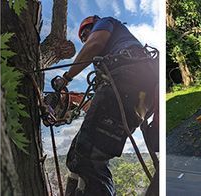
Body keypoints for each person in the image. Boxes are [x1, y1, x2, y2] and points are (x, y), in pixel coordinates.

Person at [52, 15, 161, 195]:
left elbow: (94, 44)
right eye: (83, 39)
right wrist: (72, 102)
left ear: (94, 24)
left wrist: (66, 78)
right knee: (74, 155)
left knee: (88, 158)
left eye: (86, 33)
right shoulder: (108, 67)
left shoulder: (106, 22)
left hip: (127, 82)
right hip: (134, 92)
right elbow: (100, 106)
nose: (86, 39)